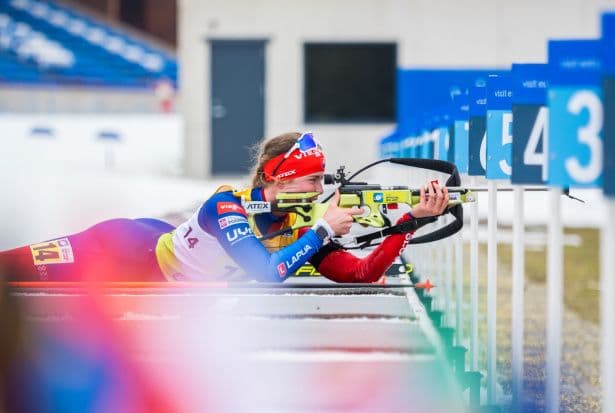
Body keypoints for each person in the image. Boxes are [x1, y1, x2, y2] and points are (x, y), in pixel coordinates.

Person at [0, 132, 449, 283]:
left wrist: (410, 222)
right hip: (119, 250)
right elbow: (263, 272)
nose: (319, 189)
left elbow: (361, 273)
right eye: (312, 179)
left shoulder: (299, 226)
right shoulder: (227, 204)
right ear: (277, 175)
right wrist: (322, 230)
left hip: (159, 276)